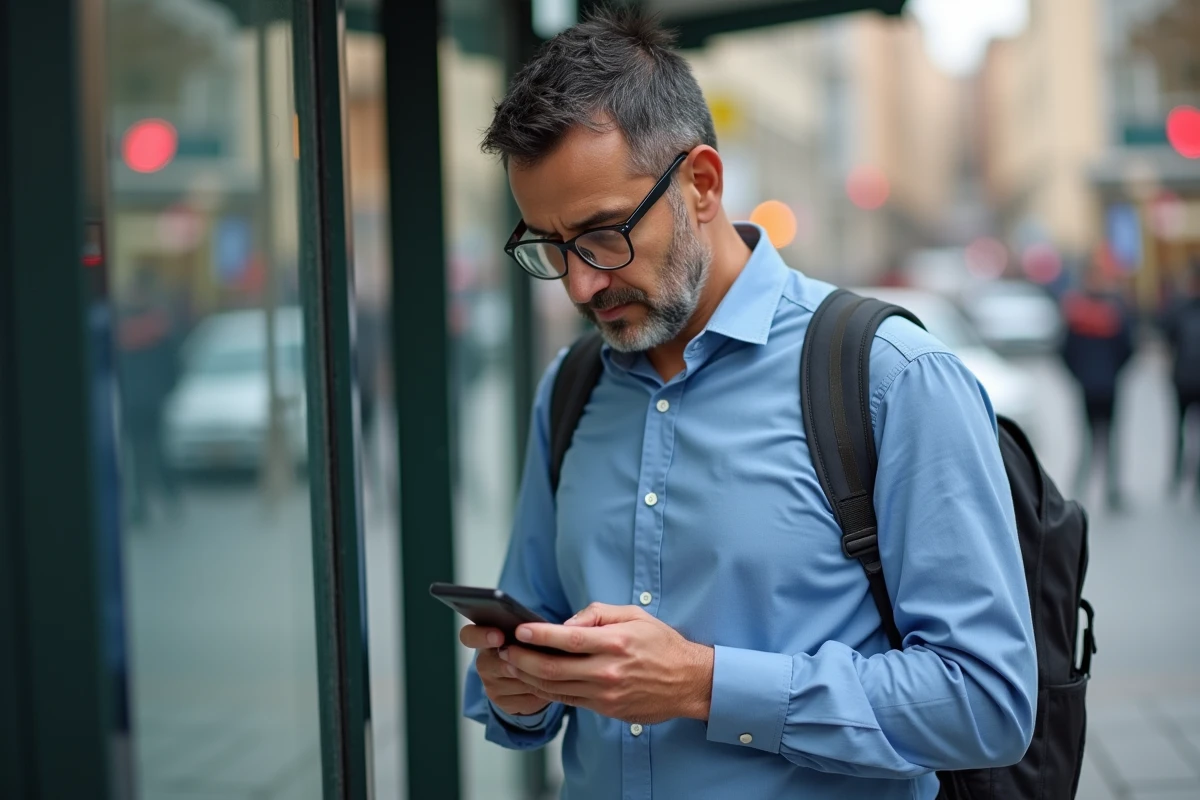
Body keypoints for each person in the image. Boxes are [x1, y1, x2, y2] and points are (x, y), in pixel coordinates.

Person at [460, 10, 1036, 799]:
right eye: (551, 247)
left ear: (701, 184)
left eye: (601, 235)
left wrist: (702, 683)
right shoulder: (570, 388)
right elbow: (534, 641)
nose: (581, 283)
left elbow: (986, 702)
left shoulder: (892, 377)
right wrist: (519, 689)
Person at [1059, 254, 1135, 510]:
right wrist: (1113, 372)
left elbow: (1064, 351)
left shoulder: (1075, 310)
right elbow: (1128, 348)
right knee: (1108, 439)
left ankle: (1080, 490)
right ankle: (1111, 491)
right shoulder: (1115, 311)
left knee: (1089, 439)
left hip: (1089, 385)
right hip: (1108, 385)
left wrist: (1079, 375)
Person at [1163, 262, 1200, 499]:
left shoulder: (1179, 307)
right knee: (1182, 429)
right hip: (1184, 379)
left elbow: (1168, 335)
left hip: (1183, 378)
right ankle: (1184, 477)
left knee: (1180, 429)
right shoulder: (1180, 307)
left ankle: (1179, 476)